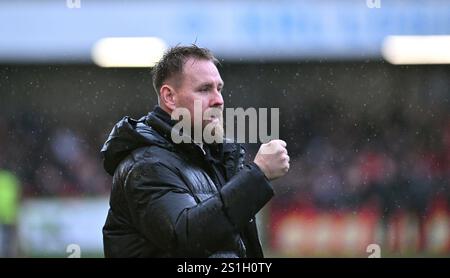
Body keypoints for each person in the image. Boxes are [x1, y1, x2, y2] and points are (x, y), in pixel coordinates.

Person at [101, 45, 290, 258]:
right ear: (169, 97)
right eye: (204, 89)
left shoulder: (214, 158)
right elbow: (186, 237)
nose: (218, 99)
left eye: (219, 88)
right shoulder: (146, 165)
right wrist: (259, 174)